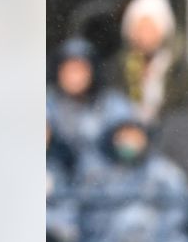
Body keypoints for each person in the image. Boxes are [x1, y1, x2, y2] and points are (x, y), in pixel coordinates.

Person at [73, 118, 188, 242]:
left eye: (134, 137)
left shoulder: (166, 173)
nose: (129, 143)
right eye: (123, 137)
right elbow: (92, 222)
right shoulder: (97, 176)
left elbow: (176, 218)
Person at [103, 0, 188, 124]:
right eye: (139, 28)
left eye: (150, 29)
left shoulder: (180, 71)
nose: (144, 36)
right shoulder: (118, 68)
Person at [47, 36, 134, 164]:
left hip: (103, 176)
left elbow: (131, 145)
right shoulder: (47, 101)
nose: (74, 76)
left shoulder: (112, 103)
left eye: (80, 69)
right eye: (69, 69)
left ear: (93, 71)